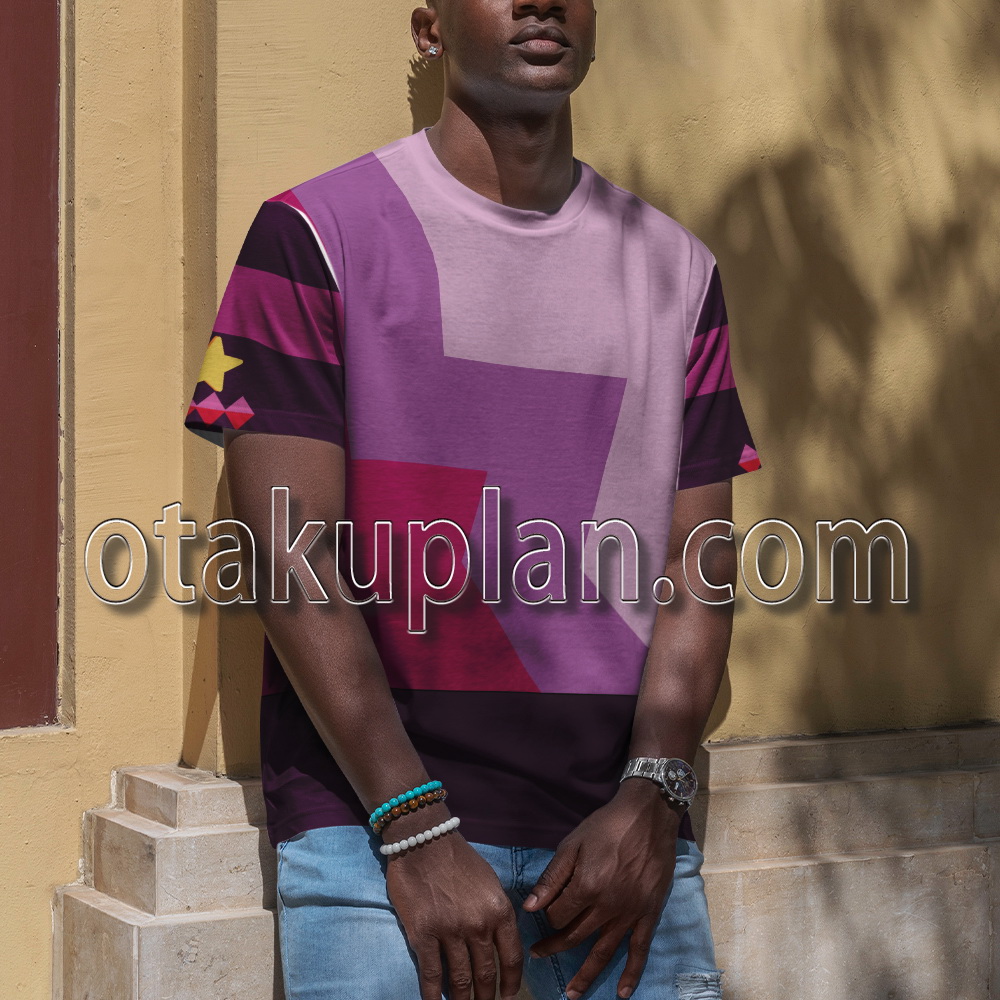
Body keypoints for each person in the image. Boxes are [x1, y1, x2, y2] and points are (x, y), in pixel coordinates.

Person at [184, 1, 762, 998]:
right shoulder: (312, 235)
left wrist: (652, 796)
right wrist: (414, 826)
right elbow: (285, 555)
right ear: (429, 29)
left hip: (616, 842)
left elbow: (697, 568)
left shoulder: (678, 268)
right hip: (373, 835)